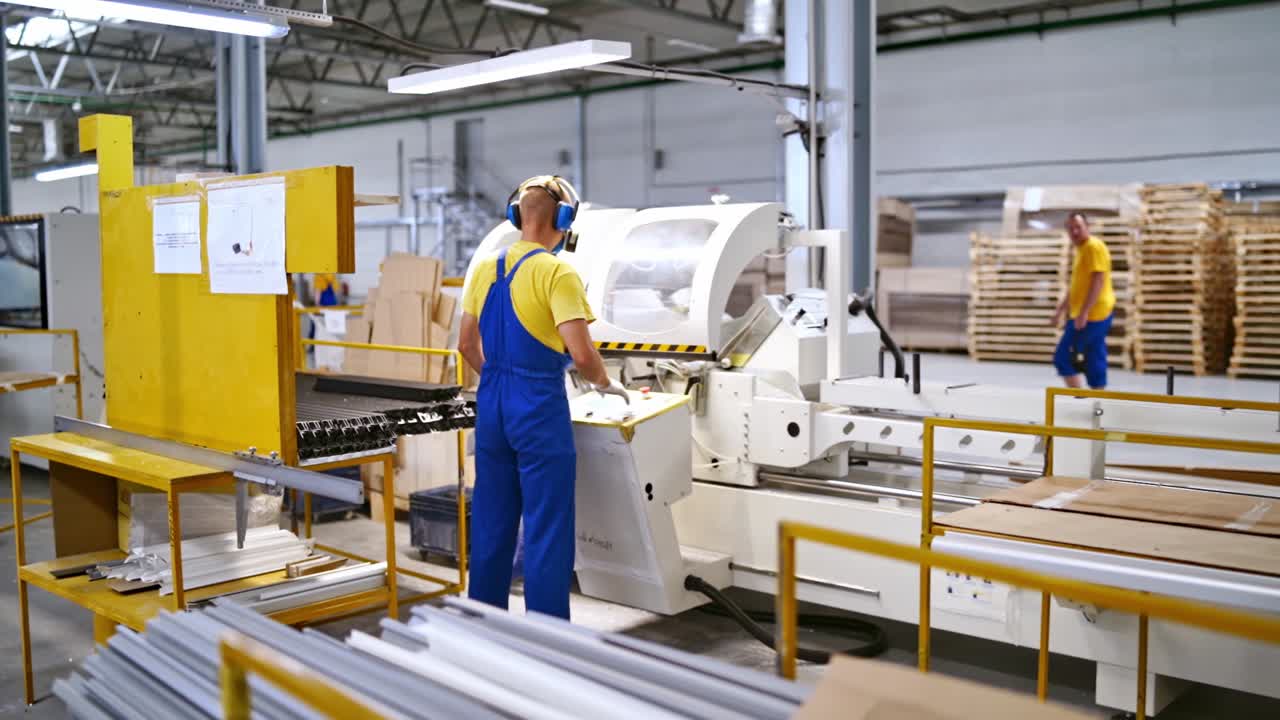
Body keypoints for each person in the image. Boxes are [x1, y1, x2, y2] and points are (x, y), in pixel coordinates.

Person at [457, 175, 628, 620]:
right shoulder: (557, 273)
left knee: (492, 523)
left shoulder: (484, 268)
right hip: (537, 407)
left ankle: (483, 624)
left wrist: (499, 378)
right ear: (564, 219)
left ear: (517, 215)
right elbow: (582, 354)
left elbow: (466, 345)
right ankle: (546, 635)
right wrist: (605, 385)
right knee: (546, 528)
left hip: (492, 406)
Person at [1051, 212, 1115, 389]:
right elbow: (1076, 286)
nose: (1074, 232)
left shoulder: (1094, 247)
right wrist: (1060, 310)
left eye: (1078, 227)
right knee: (1094, 354)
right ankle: (1098, 397)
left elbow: (1098, 280)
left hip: (1093, 314)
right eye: (1070, 228)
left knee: (1063, 357)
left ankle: (1080, 397)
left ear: (1088, 227)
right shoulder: (1082, 249)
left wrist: (1084, 312)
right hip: (1087, 313)